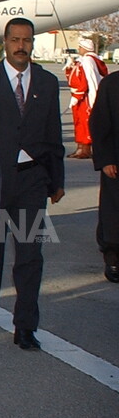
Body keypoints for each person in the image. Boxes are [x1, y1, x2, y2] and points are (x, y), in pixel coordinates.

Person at [0, 19, 65, 349]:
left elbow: (54, 133)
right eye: (15, 40)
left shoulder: (47, 82)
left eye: (26, 40)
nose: (20, 46)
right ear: (5, 42)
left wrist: (57, 180)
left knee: (29, 255)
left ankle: (25, 325)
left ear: (33, 43)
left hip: (31, 181)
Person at [91, 68, 119, 283]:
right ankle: (113, 258)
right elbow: (99, 123)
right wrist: (105, 159)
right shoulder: (111, 84)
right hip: (116, 163)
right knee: (113, 212)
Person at [66, 37, 108, 159]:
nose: (79, 49)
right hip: (81, 96)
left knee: (85, 123)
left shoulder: (88, 61)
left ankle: (85, 149)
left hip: (84, 97)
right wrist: (71, 67)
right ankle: (80, 147)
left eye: (80, 47)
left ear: (84, 48)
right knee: (79, 122)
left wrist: (78, 95)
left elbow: (87, 79)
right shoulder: (85, 60)